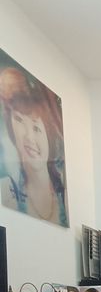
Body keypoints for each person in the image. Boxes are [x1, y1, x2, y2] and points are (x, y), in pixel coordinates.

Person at [0, 66, 68, 227]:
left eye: (36, 128)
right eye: (19, 120)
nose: (29, 137)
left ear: (49, 137)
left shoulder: (65, 194)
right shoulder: (5, 191)